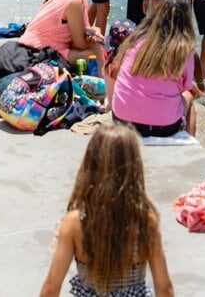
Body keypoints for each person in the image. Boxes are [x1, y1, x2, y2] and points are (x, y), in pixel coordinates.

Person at [38, 124, 176, 297]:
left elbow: (52, 286)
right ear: (133, 167)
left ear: (90, 165)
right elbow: (164, 287)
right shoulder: (144, 221)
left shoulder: (75, 223)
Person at [108, 0, 200, 138]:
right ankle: (188, 146)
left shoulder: (135, 40)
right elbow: (185, 88)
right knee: (189, 98)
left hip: (121, 119)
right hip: (162, 127)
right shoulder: (184, 50)